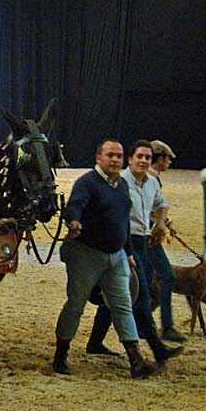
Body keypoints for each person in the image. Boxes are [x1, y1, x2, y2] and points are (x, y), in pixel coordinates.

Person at [53, 139, 158, 379]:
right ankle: (60, 354)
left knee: (123, 306)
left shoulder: (122, 186)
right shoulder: (87, 183)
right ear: (98, 158)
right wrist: (74, 221)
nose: (115, 160)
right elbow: (75, 206)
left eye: (119, 156)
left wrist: (128, 252)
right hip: (86, 253)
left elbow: (124, 222)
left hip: (117, 256)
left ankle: (136, 360)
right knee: (76, 305)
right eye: (110, 155)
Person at [85, 140, 184, 366]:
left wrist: (161, 223)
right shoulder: (120, 183)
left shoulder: (152, 182)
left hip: (145, 242)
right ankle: (157, 347)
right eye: (139, 156)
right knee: (141, 294)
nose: (143, 161)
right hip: (124, 243)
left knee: (119, 293)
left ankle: (95, 341)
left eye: (147, 157)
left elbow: (161, 204)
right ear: (130, 159)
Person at [147, 140, 186, 342]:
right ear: (160, 158)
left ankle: (145, 322)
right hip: (148, 234)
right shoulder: (150, 178)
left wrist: (167, 222)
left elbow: (154, 206)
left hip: (148, 230)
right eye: (168, 159)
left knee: (147, 280)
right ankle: (167, 325)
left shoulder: (150, 178)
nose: (170, 163)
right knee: (167, 276)